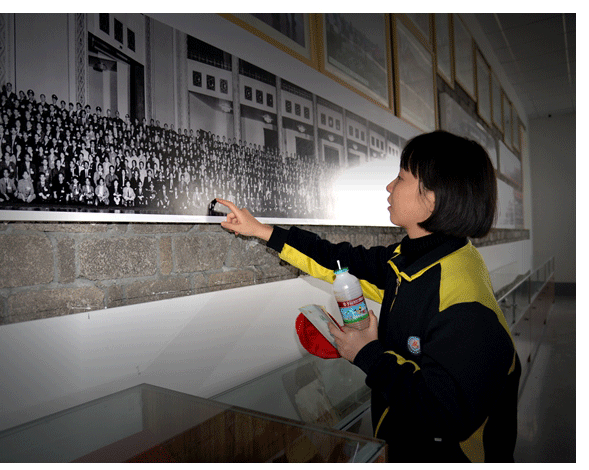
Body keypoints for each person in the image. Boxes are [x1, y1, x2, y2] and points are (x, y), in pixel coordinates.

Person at [215, 131, 520, 463]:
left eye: (401, 178)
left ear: (431, 199)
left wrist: (368, 354)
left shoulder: (465, 303)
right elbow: (338, 260)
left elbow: (443, 414)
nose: (390, 187)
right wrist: (261, 230)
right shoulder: (411, 260)